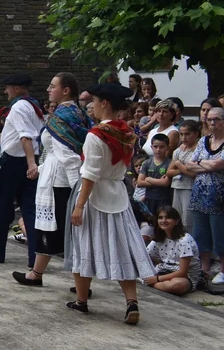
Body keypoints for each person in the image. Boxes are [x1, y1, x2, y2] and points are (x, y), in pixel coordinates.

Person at [65, 82, 153, 324]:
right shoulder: (127, 133)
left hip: (94, 197)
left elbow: (90, 174)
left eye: (94, 101)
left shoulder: (96, 135)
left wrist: (79, 205)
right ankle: (131, 301)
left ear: (104, 103)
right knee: (122, 246)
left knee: (83, 246)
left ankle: (82, 301)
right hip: (118, 194)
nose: (91, 106)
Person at [13, 73, 91, 288]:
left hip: (61, 183)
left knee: (59, 231)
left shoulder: (61, 118)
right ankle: (38, 274)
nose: (48, 89)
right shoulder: (78, 113)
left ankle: (75, 284)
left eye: (52, 86)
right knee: (57, 231)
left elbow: (69, 157)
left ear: (66, 90)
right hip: (56, 176)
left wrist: (78, 191)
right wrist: (40, 168)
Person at [0, 74, 44, 266]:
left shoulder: (19, 107)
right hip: (28, 159)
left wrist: (31, 163)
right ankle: (34, 257)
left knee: (2, 207)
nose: (6, 91)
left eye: (8, 87)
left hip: (13, 162)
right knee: (29, 208)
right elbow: (8, 135)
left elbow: (24, 136)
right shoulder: (34, 107)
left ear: (17, 88)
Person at [187, 106, 224, 292]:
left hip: (219, 197)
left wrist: (201, 164)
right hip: (199, 195)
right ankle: (204, 268)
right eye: (209, 119)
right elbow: (189, 165)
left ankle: (223, 269)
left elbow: (219, 164)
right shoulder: (203, 140)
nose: (212, 123)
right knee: (201, 233)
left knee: (219, 233)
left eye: (216, 119)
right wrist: (207, 165)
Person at [143, 206, 203, 295]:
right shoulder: (159, 237)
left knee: (176, 285)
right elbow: (146, 255)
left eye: (168, 218)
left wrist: (156, 279)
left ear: (176, 221)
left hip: (184, 276)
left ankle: (152, 284)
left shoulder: (184, 240)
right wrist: (158, 264)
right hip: (163, 270)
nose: (163, 221)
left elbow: (182, 272)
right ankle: (157, 284)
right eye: (160, 218)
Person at [167, 120, 202, 227]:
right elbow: (169, 172)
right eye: (181, 134)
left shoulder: (198, 150)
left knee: (187, 220)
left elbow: (193, 174)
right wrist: (182, 168)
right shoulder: (179, 150)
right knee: (176, 218)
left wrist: (178, 164)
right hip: (177, 186)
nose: (184, 137)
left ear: (196, 134)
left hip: (190, 187)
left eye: (187, 134)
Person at [137, 134, 174, 217]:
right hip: (149, 198)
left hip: (164, 199)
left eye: (162, 147)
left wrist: (149, 179)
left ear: (168, 148)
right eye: (155, 146)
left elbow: (165, 183)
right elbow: (140, 182)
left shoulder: (170, 163)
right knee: (150, 220)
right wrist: (159, 182)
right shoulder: (146, 163)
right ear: (151, 147)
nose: (158, 150)